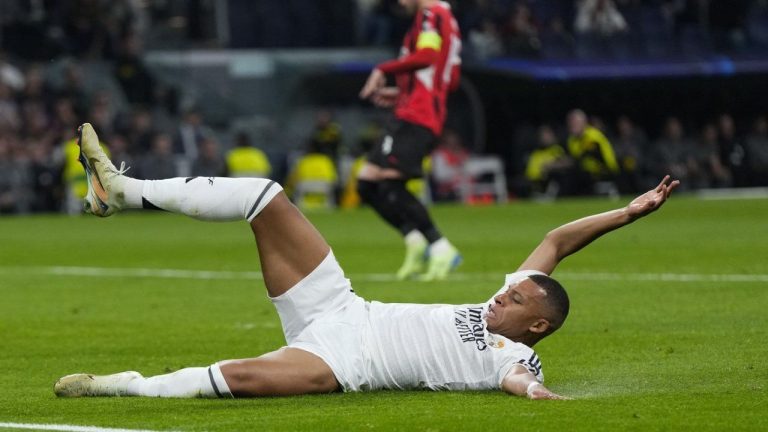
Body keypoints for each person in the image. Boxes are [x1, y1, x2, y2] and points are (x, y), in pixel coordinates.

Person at [54, 123, 679, 400]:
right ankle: (120, 192)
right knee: (264, 196)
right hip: (340, 306)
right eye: (511, 289)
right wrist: (628, 213)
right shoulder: (516, 300)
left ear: (537, 326)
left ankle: (122, 386)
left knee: (239, 380)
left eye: (515, 300)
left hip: (347, 361)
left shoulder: (514, 355)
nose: (502, 294)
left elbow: (523, 385)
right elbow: (556, 241)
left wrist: (547, 399)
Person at [358, 0, 463, 281]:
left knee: (390, 183)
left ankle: (441, 248)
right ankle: (415, 241)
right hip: (414, 110)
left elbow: (428, 57)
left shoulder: (432, 15)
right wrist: (402, 92)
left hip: (417, 116)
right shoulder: (443, 19)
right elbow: (449, 77)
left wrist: (383, 68)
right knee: (367, 184)